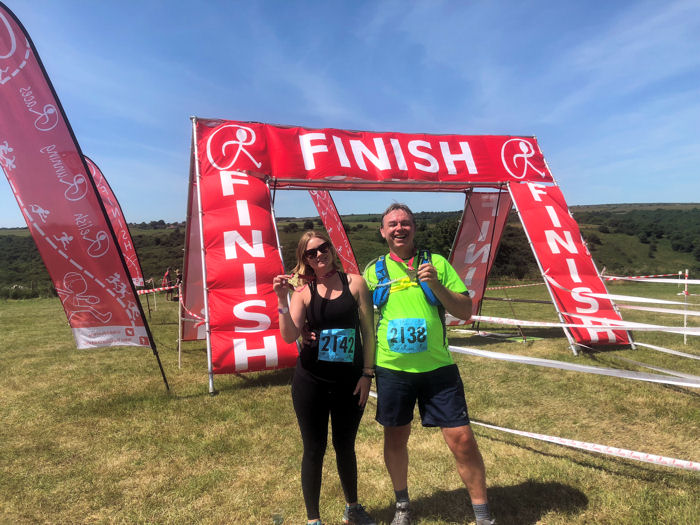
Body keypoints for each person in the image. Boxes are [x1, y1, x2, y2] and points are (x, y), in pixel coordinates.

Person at [363, 204, 494, 525]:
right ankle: (403, 505)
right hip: (392, 370)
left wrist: (436, 285)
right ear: (383, 232)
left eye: (405, 223)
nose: (399, 228)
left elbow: (465, 311)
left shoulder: (436, 263)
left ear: (414, 229)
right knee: (395, 438)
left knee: (462, 439)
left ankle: (483, 515)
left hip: (438, 370)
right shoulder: (372, 271)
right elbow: (362, 322)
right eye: (392, 224)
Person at [273, 231, 377, 525]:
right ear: (304, 260)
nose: (319, 255)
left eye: (323, 248)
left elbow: (368, 332)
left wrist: (368, 374)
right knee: (314, 448)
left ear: (331, 249)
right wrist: (282, 299)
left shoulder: (355, 283)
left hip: (349, 380)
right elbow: (289, 335)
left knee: (346, 445)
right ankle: (313, 520)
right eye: (311, 253)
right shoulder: (303, 294)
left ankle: (352, 508)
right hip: (311, 381)